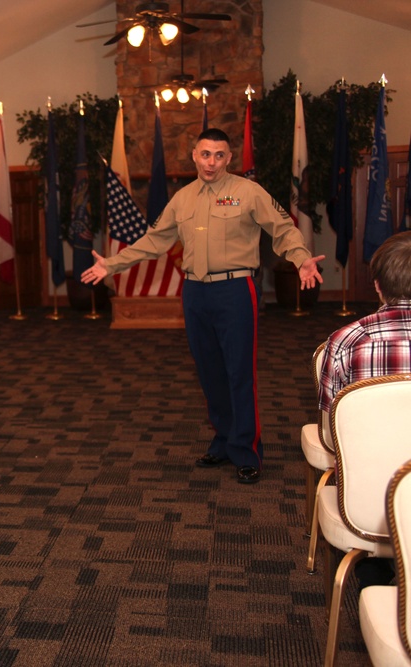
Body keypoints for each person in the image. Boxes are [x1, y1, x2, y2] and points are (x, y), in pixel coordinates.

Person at [81, 127, 324, 485]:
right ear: (194, 155)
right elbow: (154, 241)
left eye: (219, 155)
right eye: (205, 154)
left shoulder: (248, 192)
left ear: (229, 158)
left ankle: (246, 450)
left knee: (239, 372)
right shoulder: (182, 198)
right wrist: (111, 264)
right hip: (194, 293)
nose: (211, 162)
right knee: (210, 373)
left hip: (236, 291)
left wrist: (301, 258)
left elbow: (283, 228)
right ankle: (223, 441)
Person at [317, 231, 411, 589]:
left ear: (377, 287)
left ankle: (374, 572)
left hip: (368, 505)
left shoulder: (344, 342)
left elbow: (330, 435)